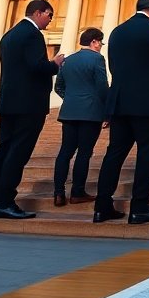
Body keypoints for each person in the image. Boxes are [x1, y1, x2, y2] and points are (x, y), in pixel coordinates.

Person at [93, 0, 149, 225]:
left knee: (114, 153)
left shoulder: (117, 31)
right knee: (147, 153)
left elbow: (114, 67)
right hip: (146, 102)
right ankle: (139, 207)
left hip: (120, 101)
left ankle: (102, 206)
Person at [0, 0, 64, 220]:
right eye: (49, 15)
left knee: (3, 151)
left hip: (10, 103)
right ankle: (5, 202)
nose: (50, 20)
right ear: (37, 13)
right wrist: (55, 64)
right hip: (29, 104)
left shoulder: (9, 35)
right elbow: (36, 66)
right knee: (18, 154)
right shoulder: (33, 35)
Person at [53, 27, 107, 207]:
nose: (101, 46)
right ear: (94, 41)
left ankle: (58, 192)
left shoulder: (67, 60)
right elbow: (102, 86)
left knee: (65, 152)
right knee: (84, 153)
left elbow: (58, 87)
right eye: (100, 42)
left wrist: (70, 99)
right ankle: (77, 192)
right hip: (91, 112)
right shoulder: (97, 58)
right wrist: (107, 109)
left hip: (69, 111)